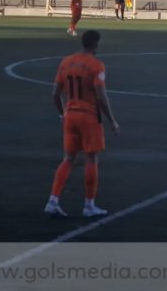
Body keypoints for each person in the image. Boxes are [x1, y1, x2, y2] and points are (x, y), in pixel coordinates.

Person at [44, 30, 119, 218]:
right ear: (96, 44)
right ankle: (89, 205)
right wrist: (112, 120)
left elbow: (55, 93)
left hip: (70, 114)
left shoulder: (66, 62)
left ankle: (52, 201)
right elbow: (101, 97)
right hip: (90, 116)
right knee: (92, 159)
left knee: (68, 158)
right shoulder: (96, 65)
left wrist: (62, 113)